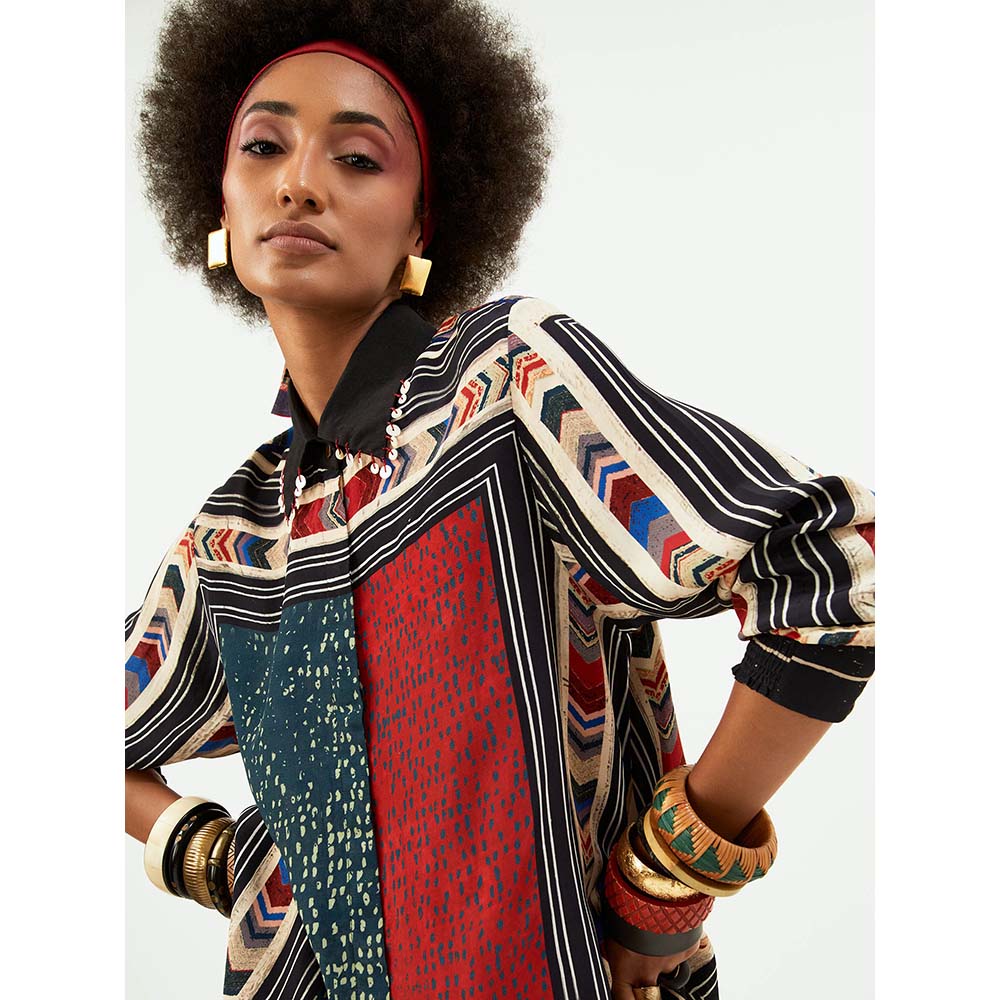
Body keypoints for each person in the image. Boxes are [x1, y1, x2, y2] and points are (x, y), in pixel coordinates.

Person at [124, 1, 875, 998]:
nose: (298, 182)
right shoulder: (234, 536)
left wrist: (664, 884)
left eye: (358, 158)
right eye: (263, 146)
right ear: (218, 204)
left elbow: (823, 566)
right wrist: (213, 853)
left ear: (422, 221)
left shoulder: (507, 386)